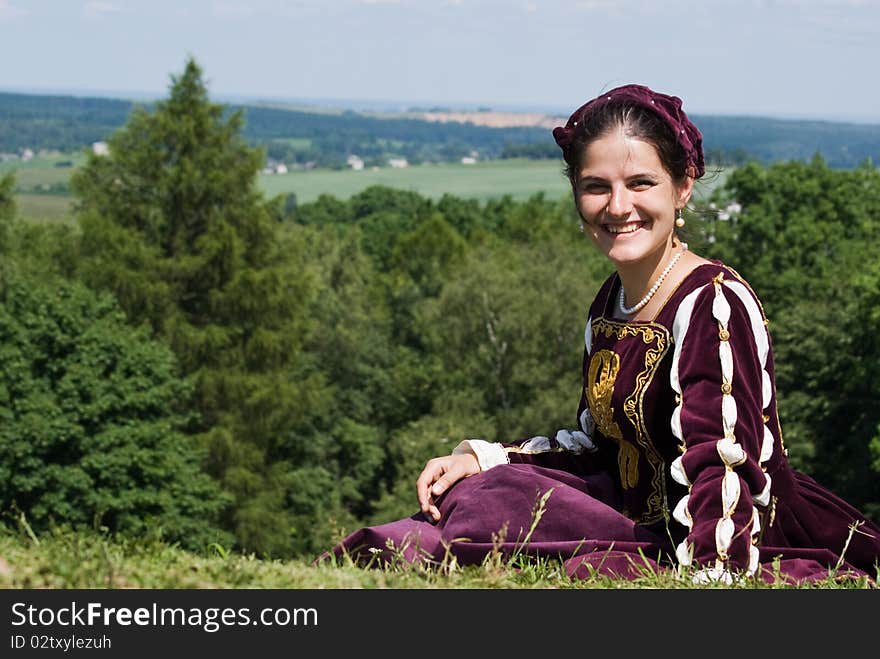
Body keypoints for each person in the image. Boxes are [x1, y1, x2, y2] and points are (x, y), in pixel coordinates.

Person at [321, 84, 880, 584]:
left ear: (683, 187)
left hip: (727, 535)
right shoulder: (610, 302)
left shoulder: (711, 302)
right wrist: (487, 459)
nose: (618, 207)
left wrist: (715, 579)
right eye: (596, 187)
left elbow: (723, 462)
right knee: (480, 493)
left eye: (641, 183)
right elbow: (600, 446)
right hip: (634, 518)